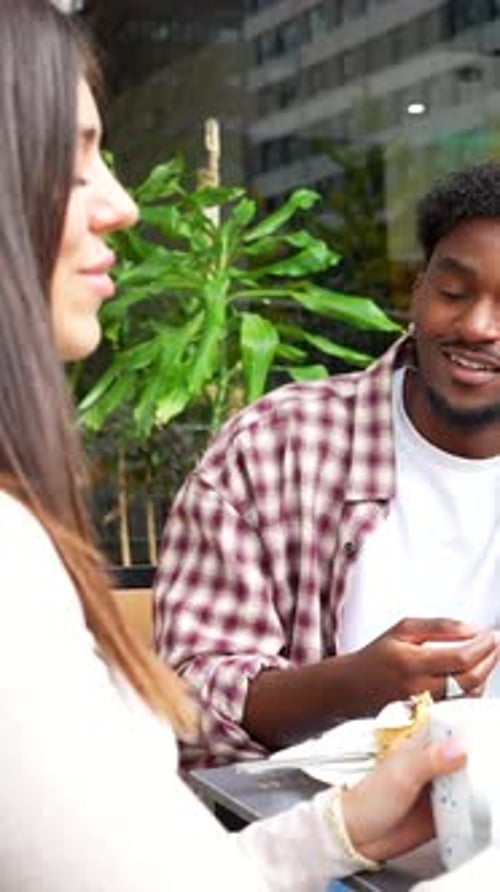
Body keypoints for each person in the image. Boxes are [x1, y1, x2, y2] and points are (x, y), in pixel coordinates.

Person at [0, 2, 472, 890]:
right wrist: (352, 683)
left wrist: (346, 825)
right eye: (75, 159)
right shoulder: (280, 445)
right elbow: (194, 713)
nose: (123, 205)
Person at [154, 161, 500, 770]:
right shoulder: (275, 446)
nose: (476, 326)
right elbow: (186, 695)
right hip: (309, 845)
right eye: (453, 293)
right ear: (417, 291)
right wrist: (351, 689)